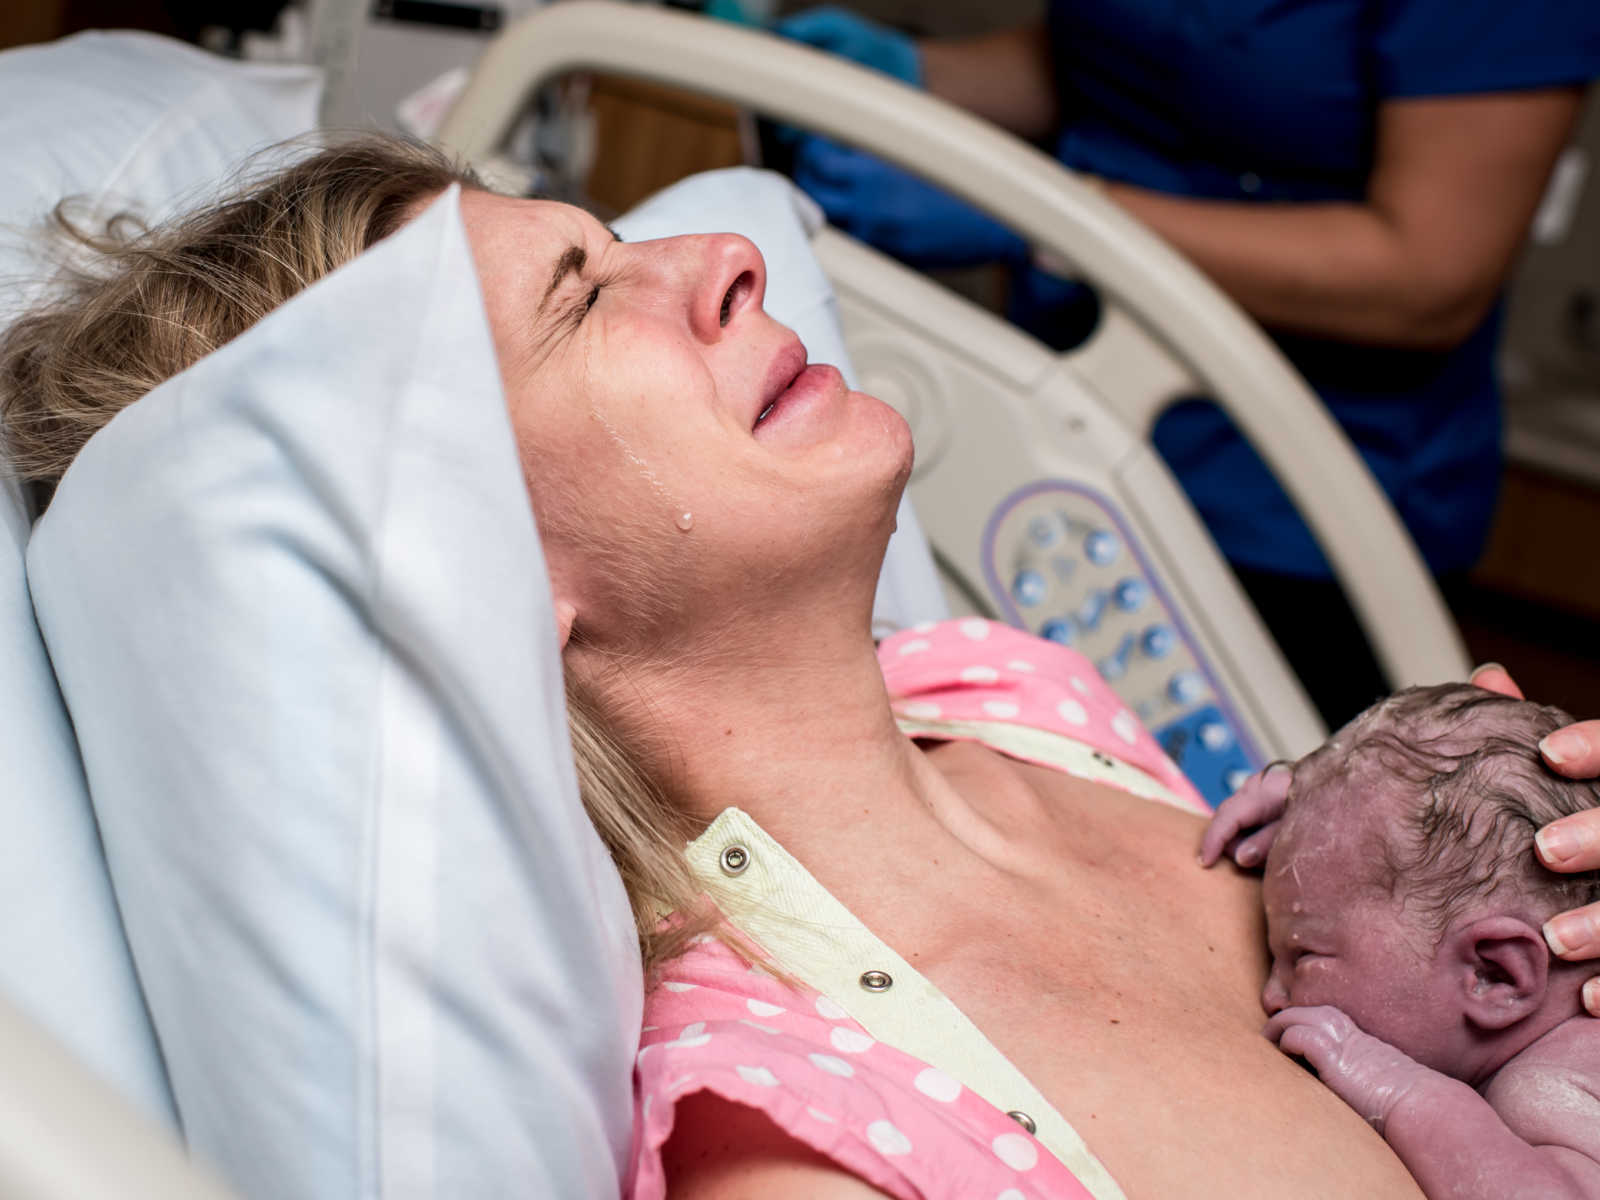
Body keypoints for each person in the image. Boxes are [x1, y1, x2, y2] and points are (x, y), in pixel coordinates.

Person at [4, 134, 1600, 1198]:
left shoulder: (1009, 691)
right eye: (583, 298)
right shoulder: (797, 1131)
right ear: (466, 562)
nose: (719, 253)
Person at [775, 2, 1600, 727]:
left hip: (1301, 495)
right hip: (1051, 422)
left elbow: (1429, 277)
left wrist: (1055, 222)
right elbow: (1116, 62)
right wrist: (913, 72)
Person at [1204, 683, 1600, 1198]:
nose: (1273, 996)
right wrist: (1324, 806)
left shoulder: (1545, 1086)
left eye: (1304, 955)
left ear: (1493, 974)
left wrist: (1399, 1094)